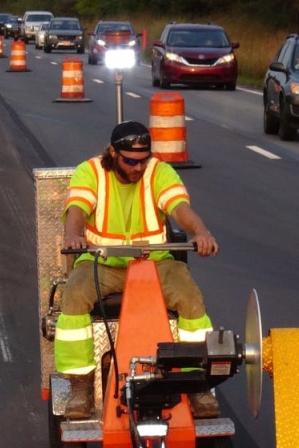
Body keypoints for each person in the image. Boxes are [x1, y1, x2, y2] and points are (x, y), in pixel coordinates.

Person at [54, 120, 219, 420]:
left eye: (143, 160)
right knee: (74, 297)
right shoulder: (89, 172)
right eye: (130, 161)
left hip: (154, 263)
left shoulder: (159, 171)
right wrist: (73, 236)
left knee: (191, 299)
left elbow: (179, 208)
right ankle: (80, 386)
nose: (138, 168)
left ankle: (197, 384)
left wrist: (201, 232)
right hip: (102, 264)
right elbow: (77, 209)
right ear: (112, 153)